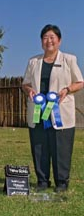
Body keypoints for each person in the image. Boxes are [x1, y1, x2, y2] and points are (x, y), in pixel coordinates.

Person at [22, 24, 83, 193]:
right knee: (39, 146)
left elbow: (79, 82)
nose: (48, 41)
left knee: (61, 148)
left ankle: (61, 182)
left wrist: (67, 90)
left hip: (60, 112)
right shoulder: (33, 61)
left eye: (52, 37)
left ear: (59, 40)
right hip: (38, 111)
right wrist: (29, 90)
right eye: (45, 37)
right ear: (41, 41)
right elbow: (25, 83)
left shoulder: (69, 60)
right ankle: (42, 180)